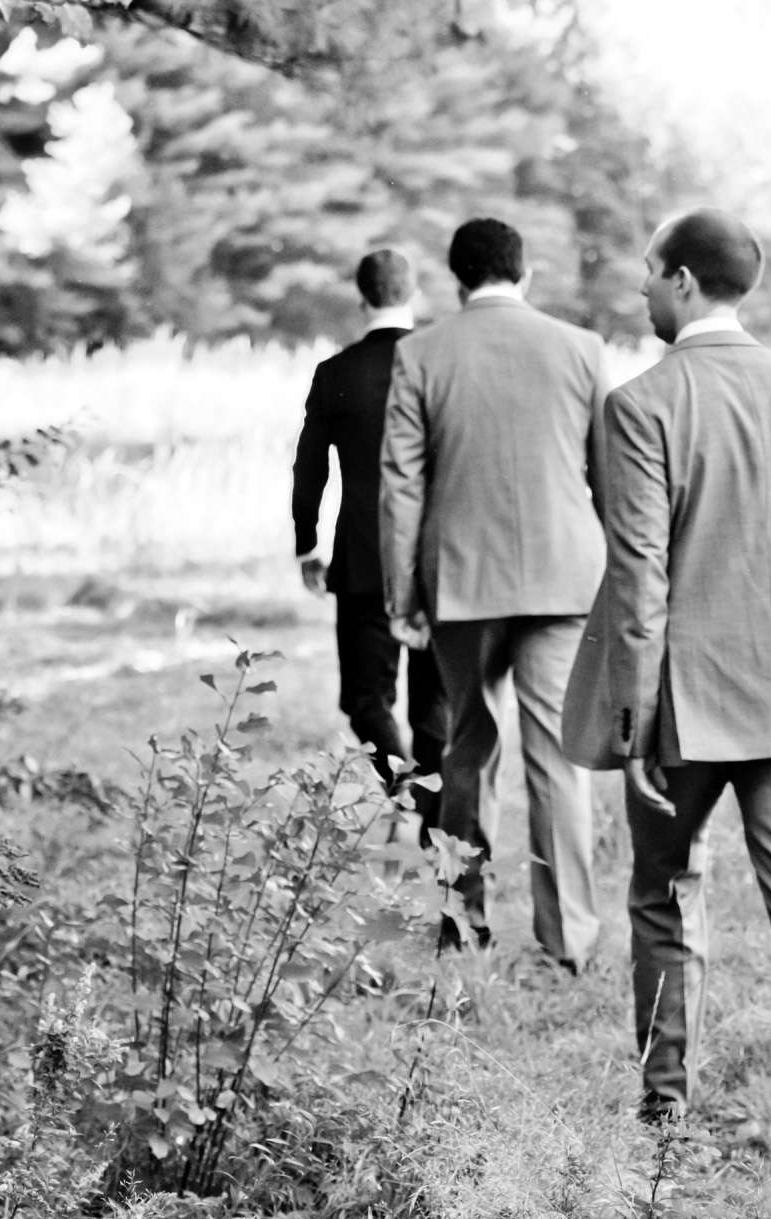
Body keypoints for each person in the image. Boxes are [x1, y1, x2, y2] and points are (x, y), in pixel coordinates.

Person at [562, 208, 771, 1177]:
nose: (639, 293)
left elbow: (639, 581)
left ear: (680, 282)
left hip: (681, 703)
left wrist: (636, 729)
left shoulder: (640, 406)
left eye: (645, 277)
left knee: (665, 892)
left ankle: (665, 1107)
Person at [382, 218, 607, 969]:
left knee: (467, 751)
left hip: (461, 581)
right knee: (558, 759)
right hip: (561, 578)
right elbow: (608, 477)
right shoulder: (581, 349)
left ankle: (464, 924)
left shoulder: (420, 353)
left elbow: (400, 488)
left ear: (455, 279)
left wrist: (402, 591)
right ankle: (568, 937)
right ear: (526, 273)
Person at [292, 248, 443, 810]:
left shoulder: (336, 373)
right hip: (433, 557)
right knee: (436, 701)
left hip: (361, 558)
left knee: (364, 697)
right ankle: (435, 824)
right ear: (414, 295)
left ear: (361, 299)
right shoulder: (436, 364)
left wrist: (307, 543)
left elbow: (310, 468)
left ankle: (399, 789)